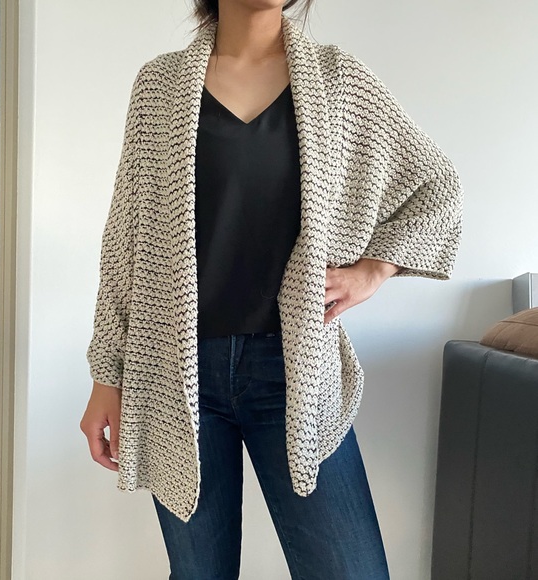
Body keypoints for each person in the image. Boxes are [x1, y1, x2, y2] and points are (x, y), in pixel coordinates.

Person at [80, 0, 464, 578]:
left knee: (352, 569)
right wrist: (106, 375)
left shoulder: (339, 81)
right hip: (175, 374)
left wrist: (374, 271)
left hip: (293, 370)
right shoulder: (159, 86)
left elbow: (437, 186)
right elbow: (125, 241)